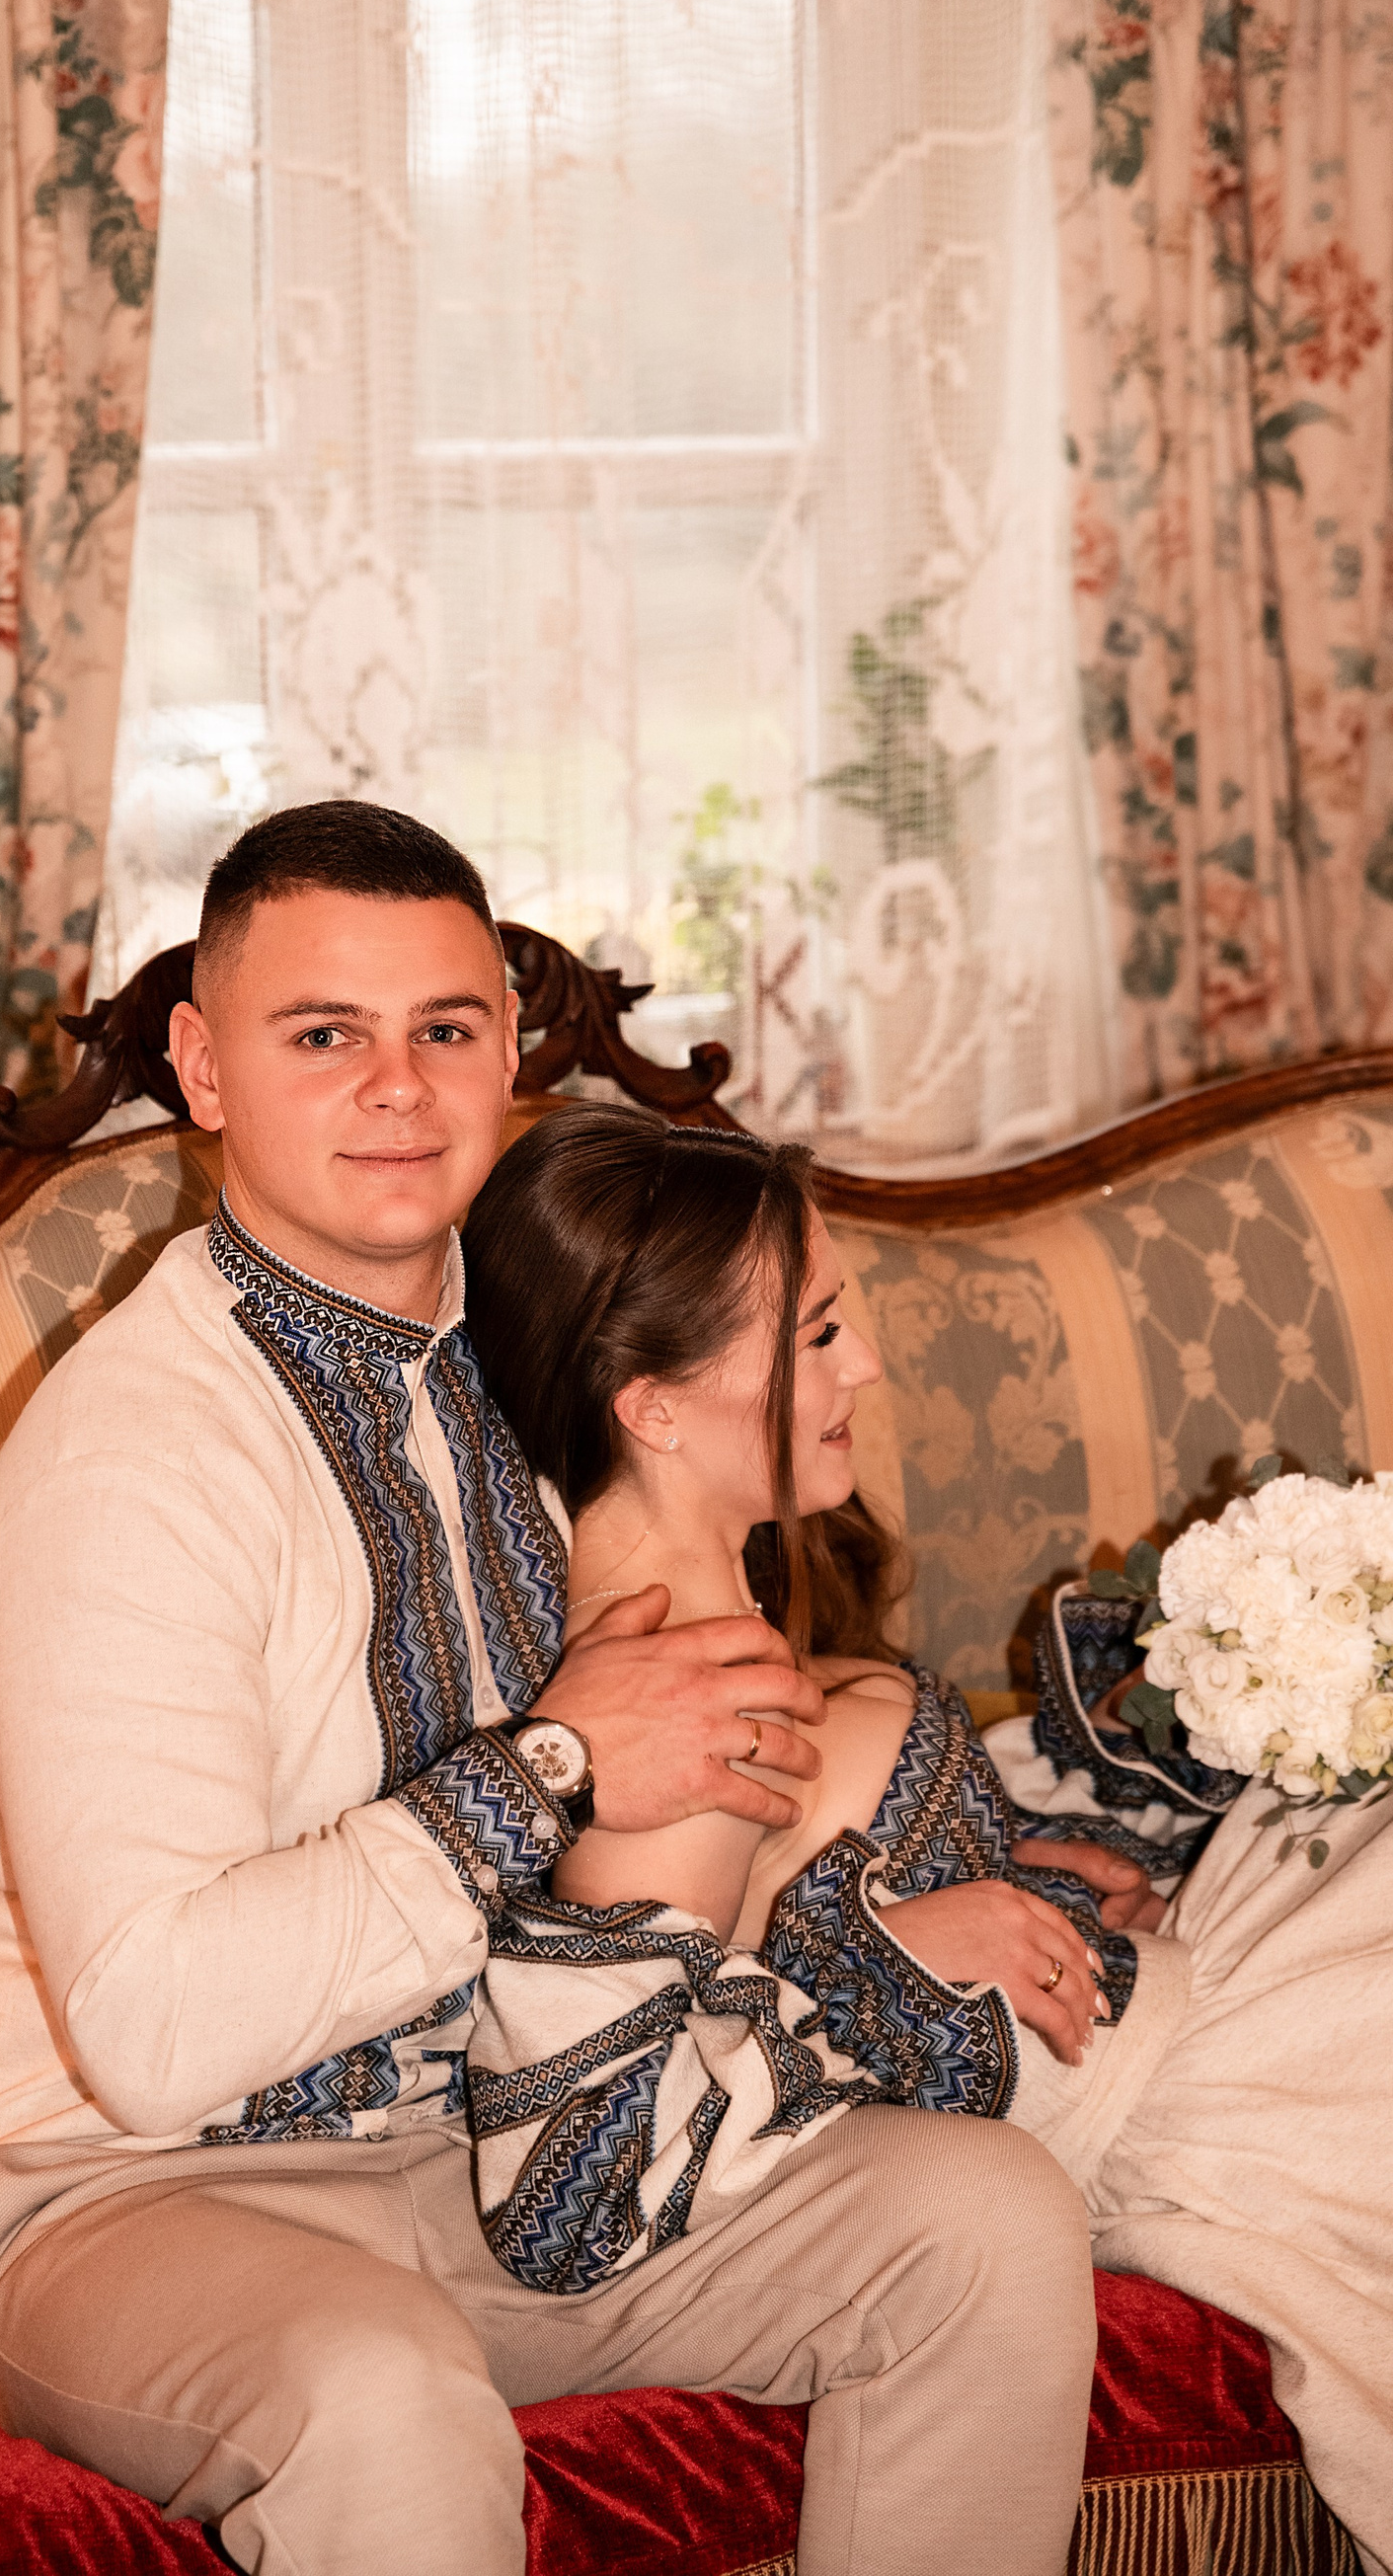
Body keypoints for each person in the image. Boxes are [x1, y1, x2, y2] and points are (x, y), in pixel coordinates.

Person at [0, 800, 1102, 2576]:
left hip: (483, 2159)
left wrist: (898, 1914)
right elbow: (152, 2031)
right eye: (323, 1036)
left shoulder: (535, 1358)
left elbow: (687, 1797)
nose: (398, 1088)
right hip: (116, 2198)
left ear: (511, 1050)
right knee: (384, 2392)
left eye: (444, 1029)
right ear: (203, 1069)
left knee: (982, 2223)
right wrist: (545, 1769)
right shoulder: (129, 1466)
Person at [459, 1103, 1393, 2576]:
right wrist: (879, 1958)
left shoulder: (703, 1603)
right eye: (818, 1334)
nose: (867, 1367)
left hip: (1166, 2013)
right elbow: (583, 2175)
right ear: (653, 1406)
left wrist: (997, 1867)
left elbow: (760, 1901)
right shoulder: (689, 1704)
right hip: (1192, 2104)